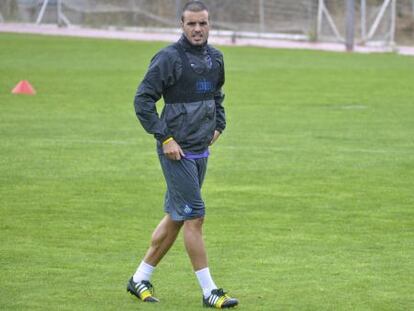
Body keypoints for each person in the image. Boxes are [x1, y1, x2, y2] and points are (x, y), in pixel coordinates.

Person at [127, 1, 238, 309]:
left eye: (202, 23)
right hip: (176, 152)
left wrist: (220, 124)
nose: (198, 29)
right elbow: (143, 100)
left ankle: (139, 279)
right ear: (182, 25)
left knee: (177, 216)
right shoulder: (168, 58)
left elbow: (217, 95)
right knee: (195, 216)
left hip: (201, 149)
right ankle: (209, 291)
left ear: (209, 24)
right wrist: (165, 138)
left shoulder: (216, 59)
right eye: (191, 24)